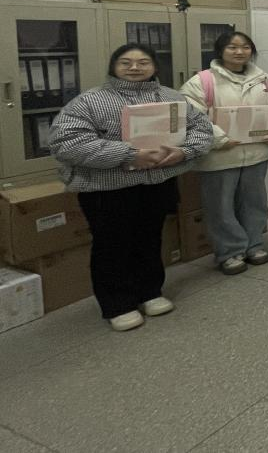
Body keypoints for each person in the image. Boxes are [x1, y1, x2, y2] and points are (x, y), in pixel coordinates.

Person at [48, 43, 213, 331]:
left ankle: (150, 292)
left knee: (150, 239)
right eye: (125, 62)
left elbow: (202, 129)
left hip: (157, 182)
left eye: (143, 62)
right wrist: (128, 154)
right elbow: (66, 143)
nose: (135, 67)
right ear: (113, 66)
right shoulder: (90, 101)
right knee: (112, 245)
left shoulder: (172, 98)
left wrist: (184, 151)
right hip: (108, 188)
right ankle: (118, 304)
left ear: (155, 66)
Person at [180, 31, 268, 276]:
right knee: (220, 207)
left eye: (245, 47)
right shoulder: (202, 81)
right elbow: (192, 116)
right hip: (220, 155)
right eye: (232, 47)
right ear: (220, 51)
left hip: (256, 152)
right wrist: (219, 139)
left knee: (255, 203)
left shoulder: (264, 80)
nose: (239, 52)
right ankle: (229, 252)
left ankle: (254, 244)